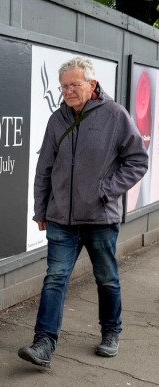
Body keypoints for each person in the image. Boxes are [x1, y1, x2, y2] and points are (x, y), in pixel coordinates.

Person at [18, 56, 149, 368]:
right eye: (63, 87)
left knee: (106, 278)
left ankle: (110, 332)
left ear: (91, 84)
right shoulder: (57, 120)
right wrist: (41, 209)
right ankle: (44, 343)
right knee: (55, 278)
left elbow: (138, 161)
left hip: (100, 218)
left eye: (74, 85)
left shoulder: (115, 115)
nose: (68, 91)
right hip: (62, 218)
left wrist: (105, 190)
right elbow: (44, 169)